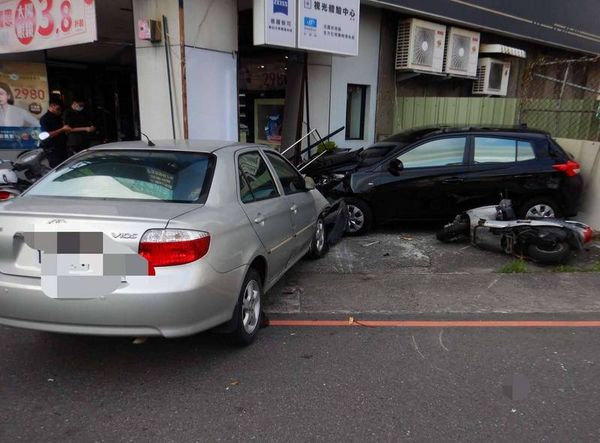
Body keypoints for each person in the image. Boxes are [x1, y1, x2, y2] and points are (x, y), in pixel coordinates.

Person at [39, 98, 71, 167]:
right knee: (57, 169)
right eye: (58, 108)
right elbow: (46, 135)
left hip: (63, 147)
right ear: (52, 106)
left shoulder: (59, 117)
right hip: (53, 149)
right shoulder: (44, 119)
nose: (60, 111)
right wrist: (62, 129)